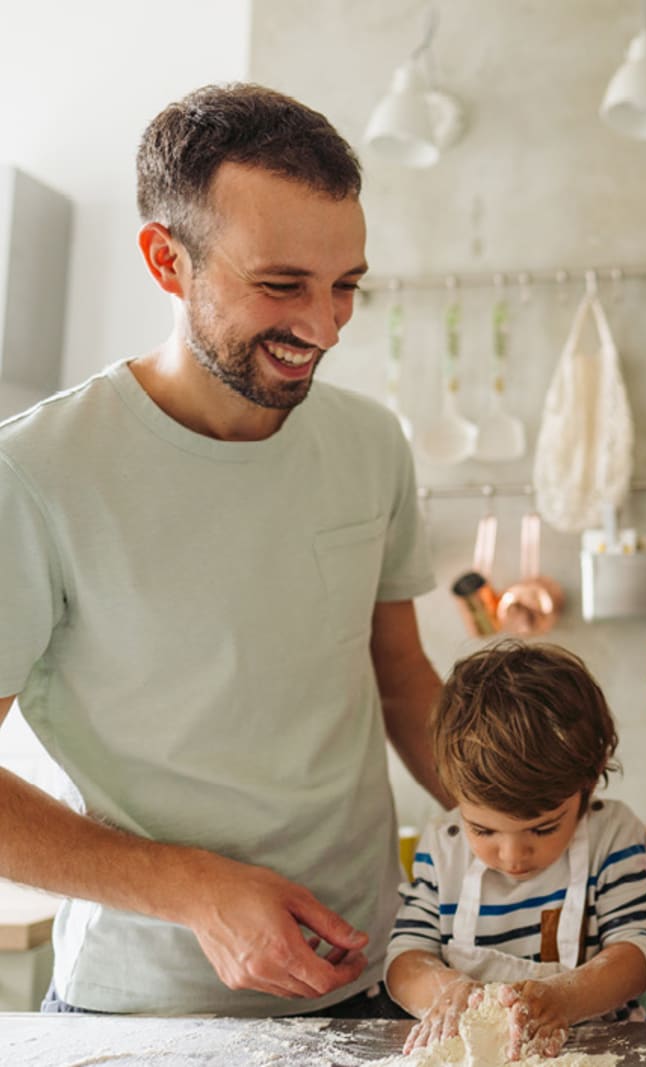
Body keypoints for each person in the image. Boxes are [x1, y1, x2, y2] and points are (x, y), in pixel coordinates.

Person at [0, 83, 447, 1016]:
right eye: (282, 285)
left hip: (373, 981)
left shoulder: (371, 443)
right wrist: (198, 889)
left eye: (346, 287)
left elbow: (402, 676)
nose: (323, 328)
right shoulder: (34, 475)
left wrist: (537, 823)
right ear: (168, 261)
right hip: (144, 1011)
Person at [386, 641, 646, 1060]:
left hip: (597, 1052)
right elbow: (405, 959)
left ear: (586, 787)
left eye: (543, 828)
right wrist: (447, 991)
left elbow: (640, 951)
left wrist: (565, 998)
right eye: (484, 830)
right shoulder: (444, 845)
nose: (513, 856)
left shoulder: (612, 835)